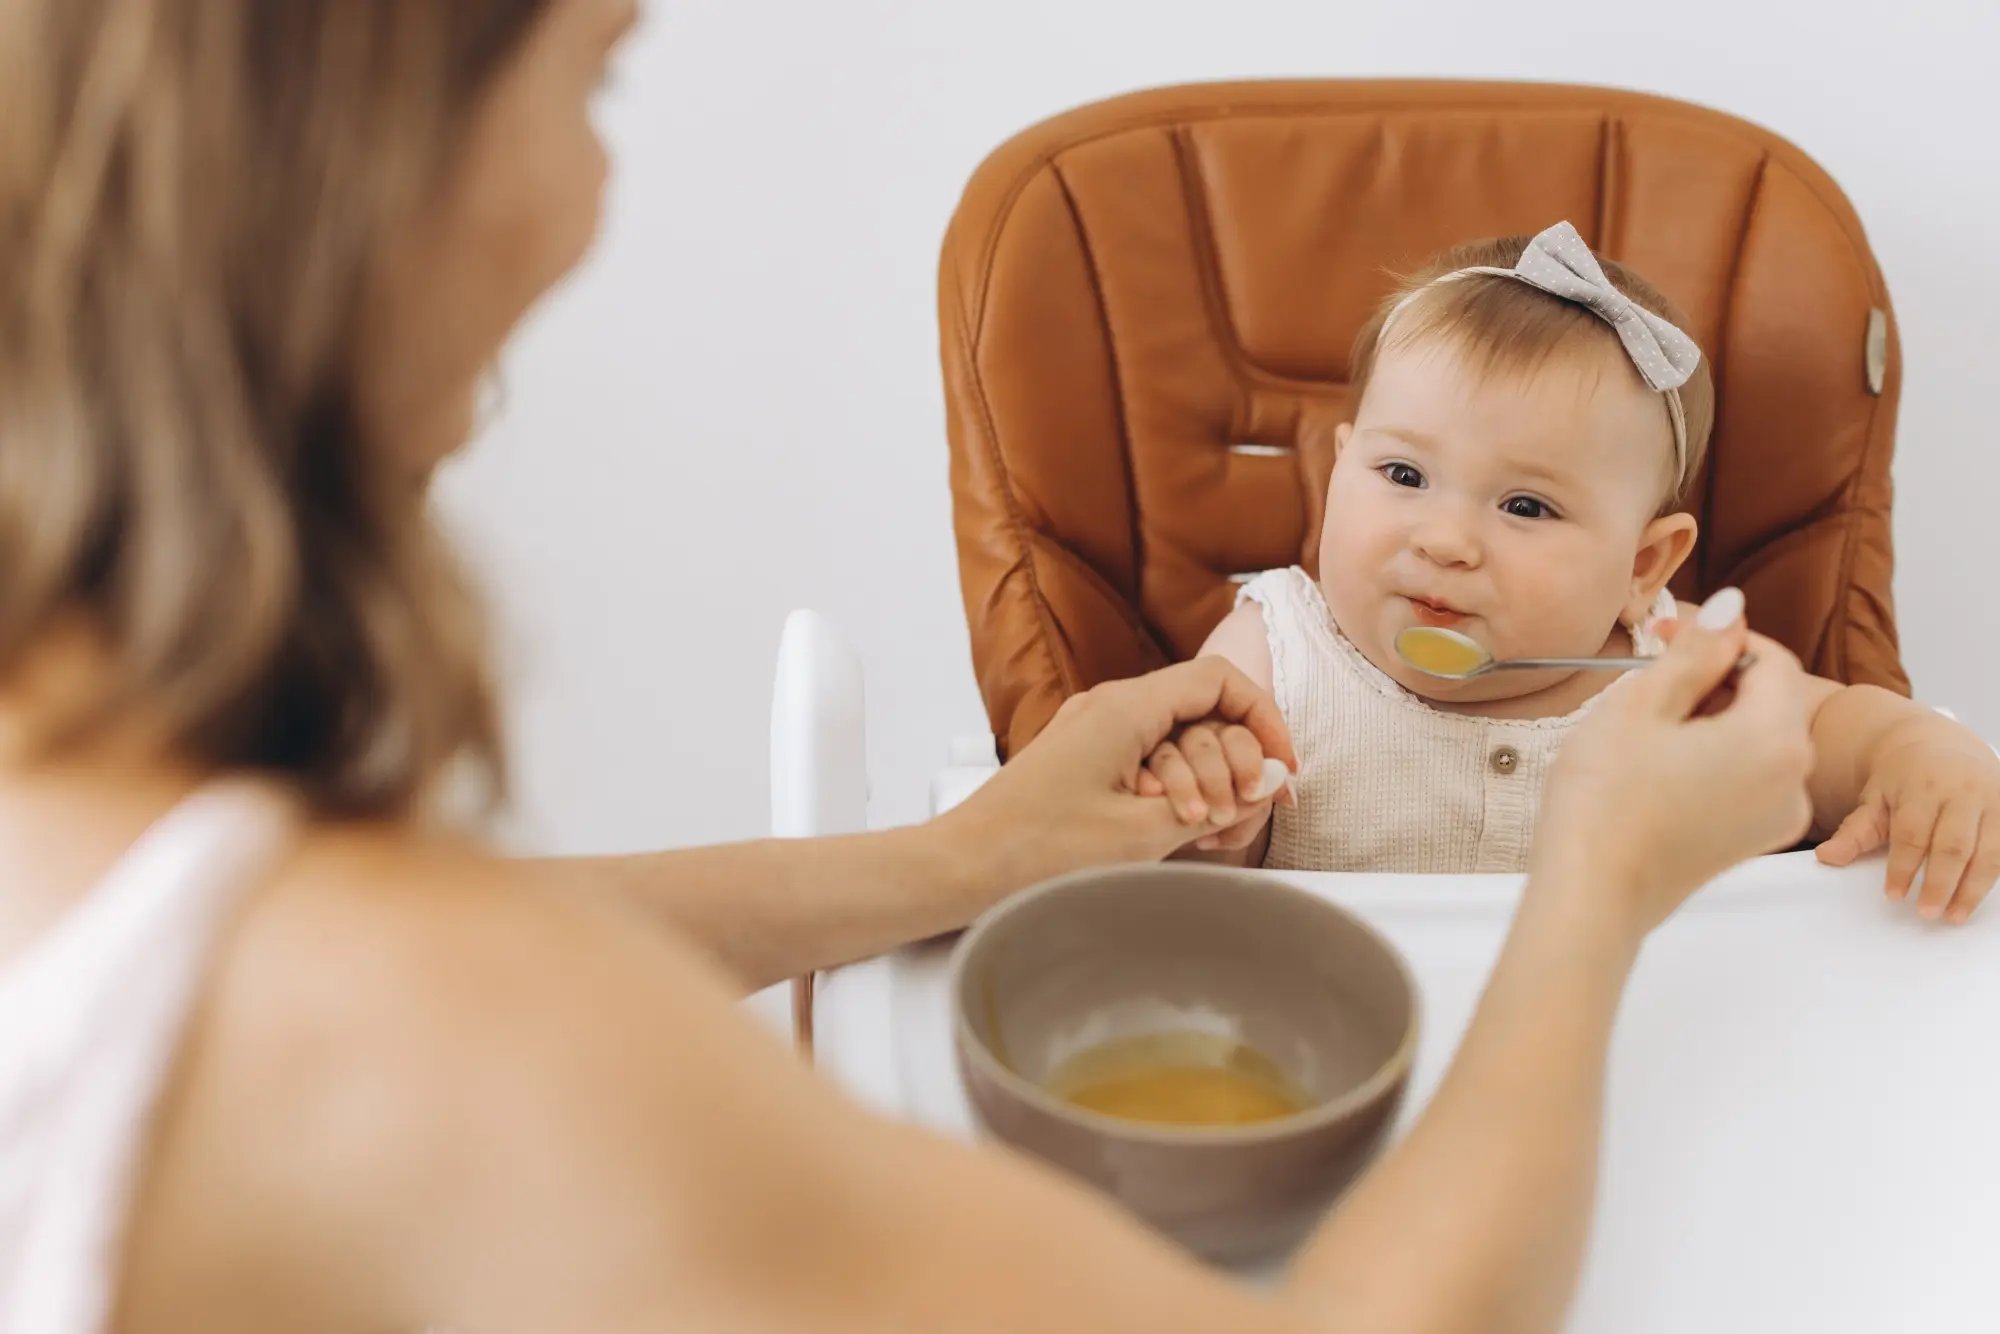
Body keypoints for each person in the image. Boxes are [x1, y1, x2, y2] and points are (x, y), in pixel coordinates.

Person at [0, 3, 1814, 1331]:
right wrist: (1600, 887)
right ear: (374, 159)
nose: (600, 189)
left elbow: (436, 939)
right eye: (598, 74)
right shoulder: (432, 1038)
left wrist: (980, 850)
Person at [1147, 226, 2000, 924]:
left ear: (1642, 565)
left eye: (1525, 507)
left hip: (1606, 1059)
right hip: (1324, 1035)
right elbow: (1163, 876)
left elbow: (1830, 732)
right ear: (1338, 469)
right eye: (1403, 476)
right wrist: (1213, 810)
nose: (1446, 541)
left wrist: (1918, 751)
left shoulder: (1678, 671)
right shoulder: (1276, 649)